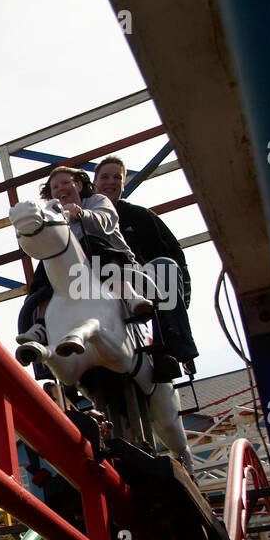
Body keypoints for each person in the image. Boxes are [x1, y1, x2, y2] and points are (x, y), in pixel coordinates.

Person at [15, 165, 147, 348]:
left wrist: (81, 214)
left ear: (78, 185)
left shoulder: (97, 200)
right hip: (73, 273)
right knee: (46, 264)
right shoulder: (54, 216)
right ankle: (41, 326)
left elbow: (106, 222)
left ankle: (131, 297)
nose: (61, 189)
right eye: (55, 187)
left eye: (65, 183)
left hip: (111, 260)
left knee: (90, 243)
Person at [93, 156, 199, 376]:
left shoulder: (140, 217)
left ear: (123, 184)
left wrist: (180, 304)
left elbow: (174, 257)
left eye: (116, 177)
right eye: (104, 177)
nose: (110, 182)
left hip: (142, 286)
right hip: (98, 287)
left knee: (163, 266)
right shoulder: (83, 220)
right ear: (95, 182)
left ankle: (172, 349)